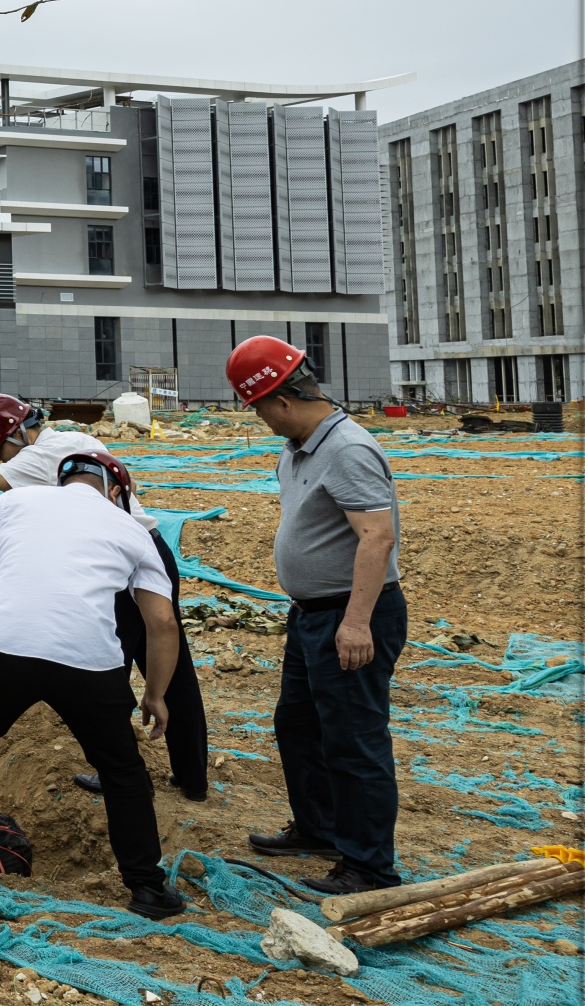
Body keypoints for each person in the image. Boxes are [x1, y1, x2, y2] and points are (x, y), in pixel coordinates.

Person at [0, 449, 189, 919]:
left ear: (60, 481)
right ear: (116, 492)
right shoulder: (132, 529)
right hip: (87, 660)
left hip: (4, 646)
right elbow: (163, 622)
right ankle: (148, 889)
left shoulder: (15, 502)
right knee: (121, 771)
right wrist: (156, 694)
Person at [0, 393, 208, 800]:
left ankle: (117, 765)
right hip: (141, 548)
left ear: (16, 433)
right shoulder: (70, 441)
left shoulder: (47, 452)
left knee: (106, 661)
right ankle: (191, 776)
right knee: (169, 660)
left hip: (120, 555)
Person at [229, 336, 407, 896]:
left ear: (281, 400)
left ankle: (369, 868)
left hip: (351, 616)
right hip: (310, 615)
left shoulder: (348, 449)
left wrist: (355, 623)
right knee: (299, 726)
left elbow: (377, 537)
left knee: (354, 741)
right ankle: (321, 828)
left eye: (257, 408)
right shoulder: (298, 448)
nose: (258, 420)